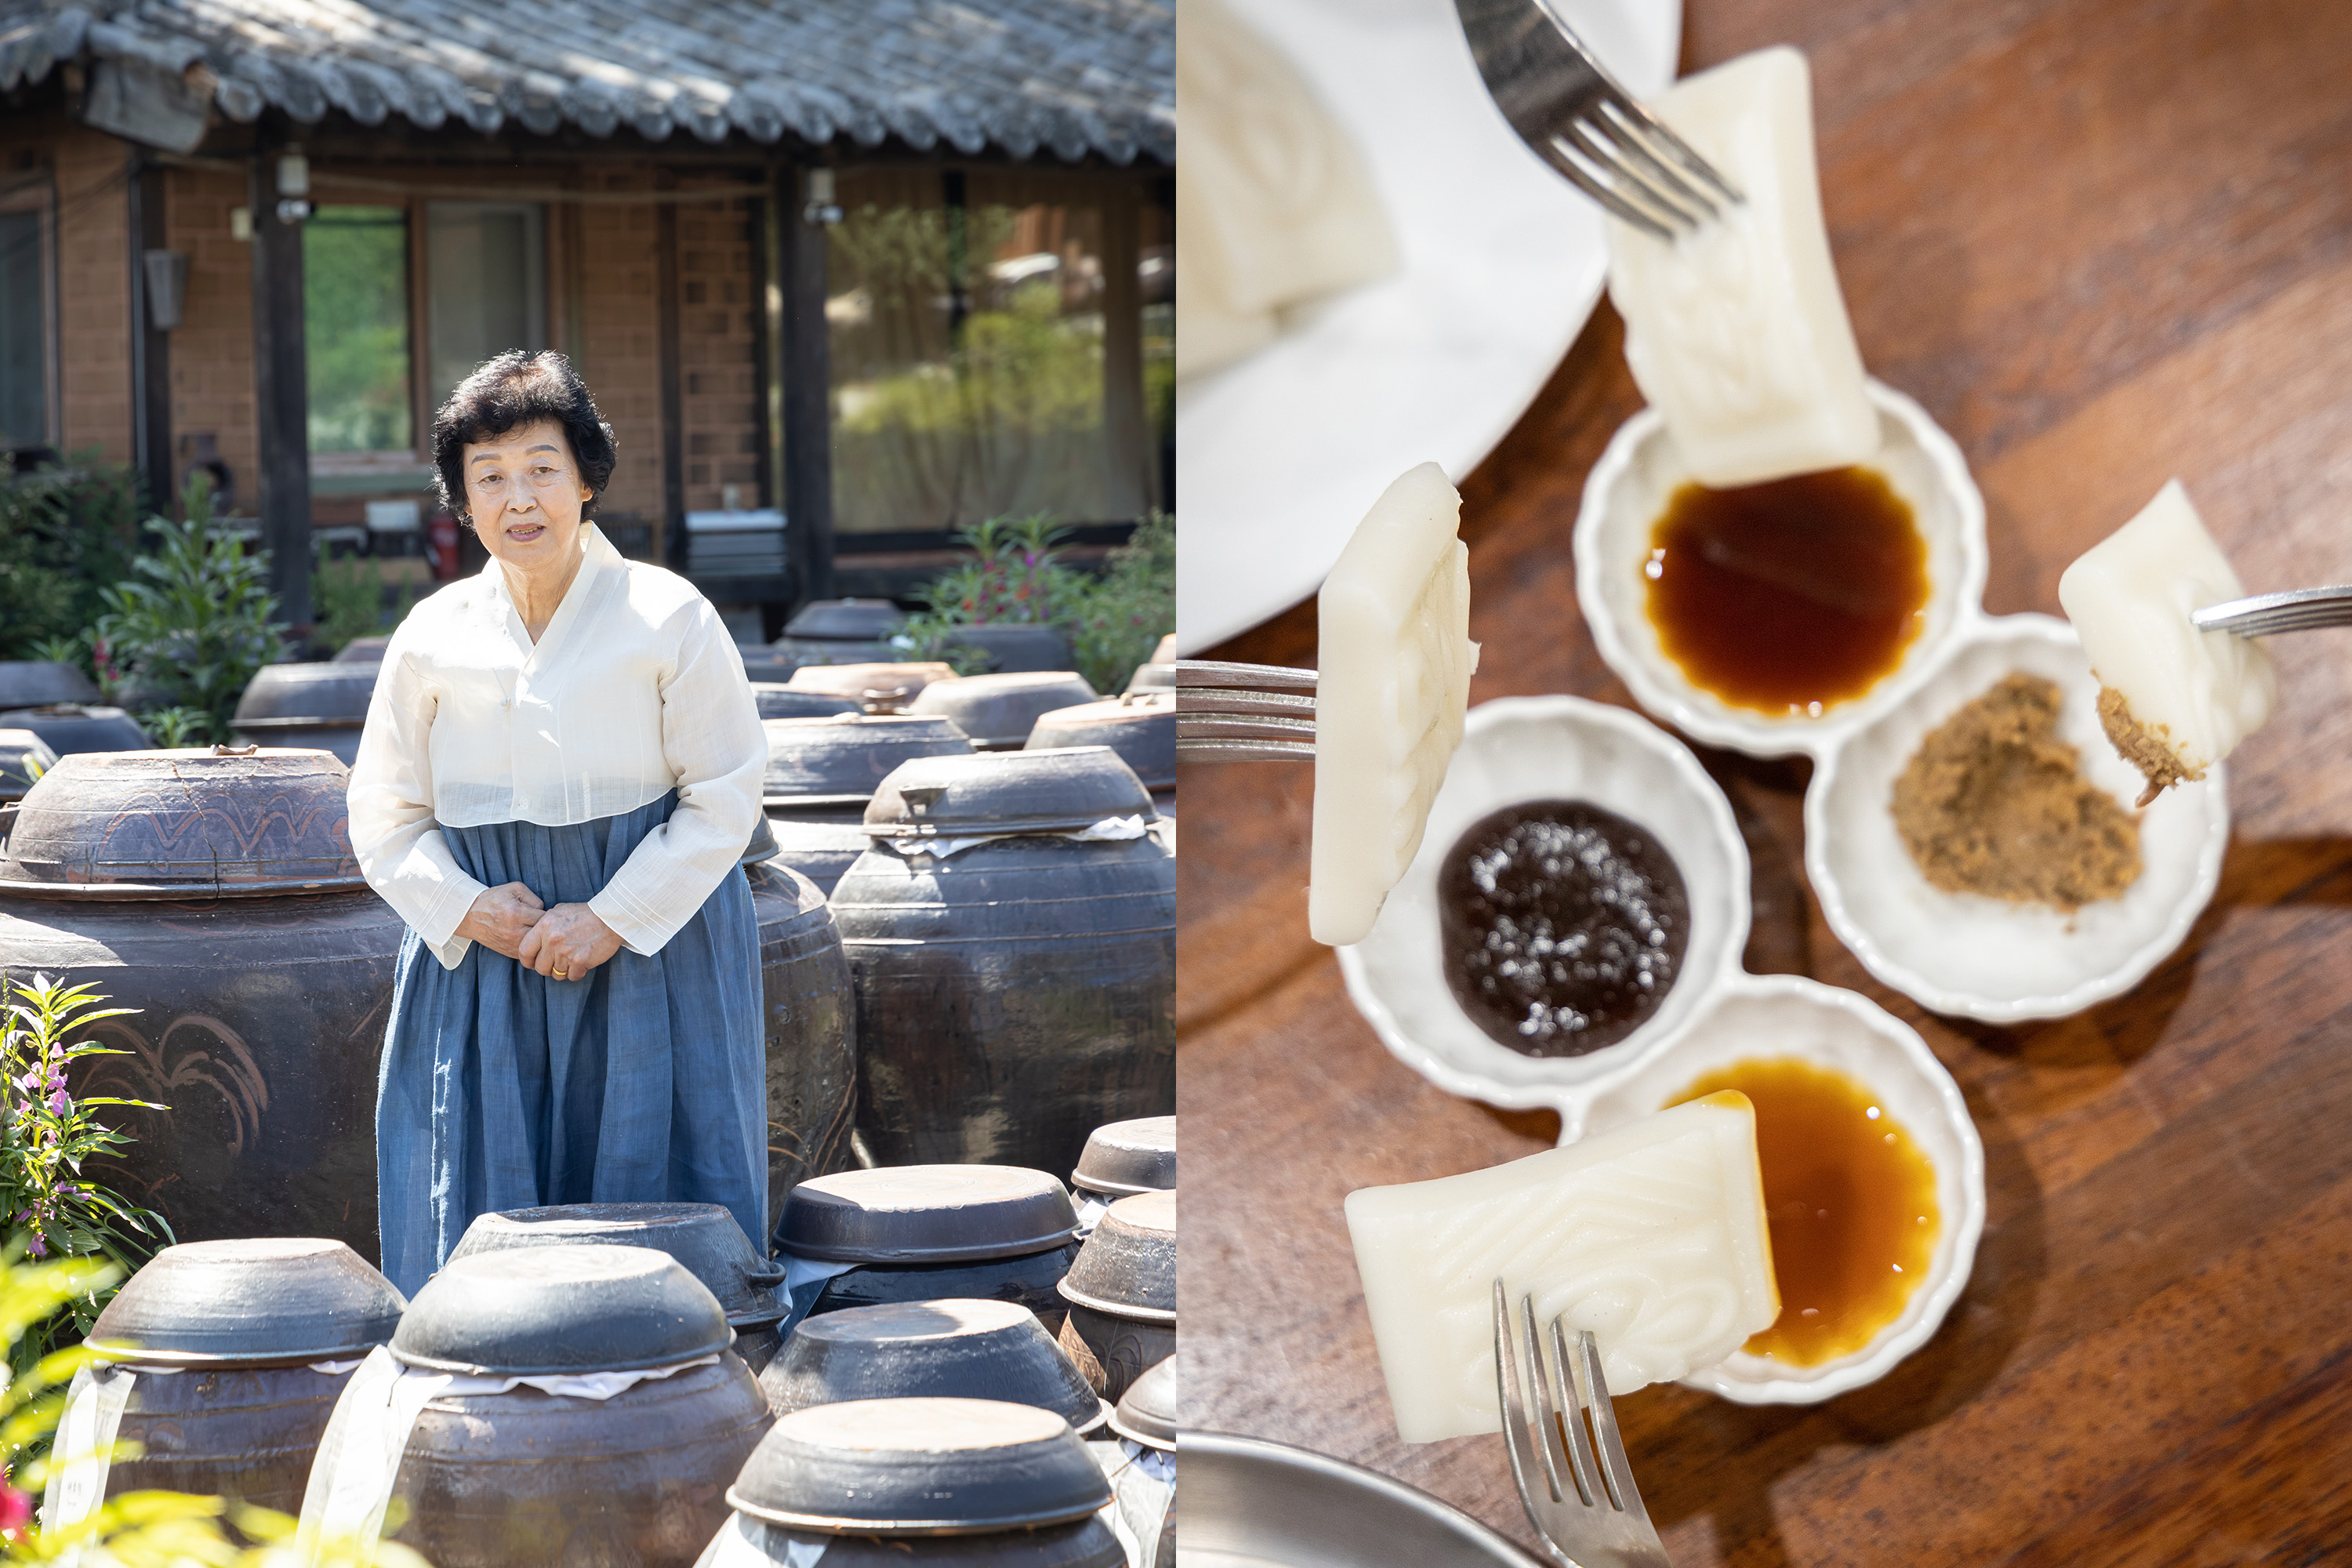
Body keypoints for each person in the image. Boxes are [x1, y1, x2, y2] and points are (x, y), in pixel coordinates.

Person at [348, 350, 768, 1295]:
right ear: (463, 501)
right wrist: (466, 907)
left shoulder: (670, 615)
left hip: (654, 951)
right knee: (481, 1244)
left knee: (659, 1233)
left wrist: (611, 916)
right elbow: (383, 812)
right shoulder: (430, 636)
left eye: (542, 467)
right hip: (483, 960)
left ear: (586, 477)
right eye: (490, 476)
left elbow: (726, 791)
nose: (520, 498)